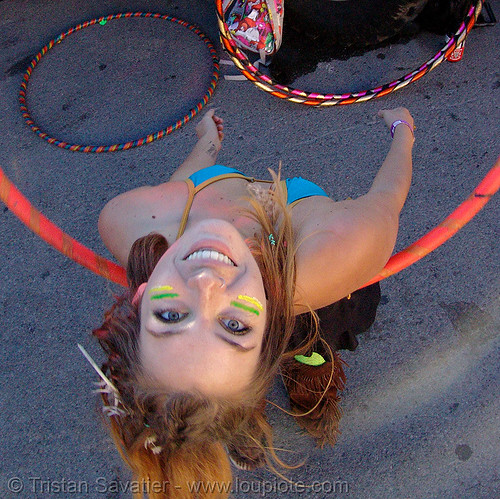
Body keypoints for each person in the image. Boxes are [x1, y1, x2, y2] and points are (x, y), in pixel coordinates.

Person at [91, 107, 414, 498]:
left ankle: (254, 417)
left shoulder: (132, 218)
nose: (207, 284)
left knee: (227, 390)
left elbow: (185, 183)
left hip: (256, 248)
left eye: (171, 315)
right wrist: (403, 130)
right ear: (268, 334)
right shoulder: (333, 253)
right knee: (312, 349)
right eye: (233, 326)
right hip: (294, 272)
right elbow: (386, 198)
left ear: (141, 296)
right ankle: (306, 404)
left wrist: (207, 142)